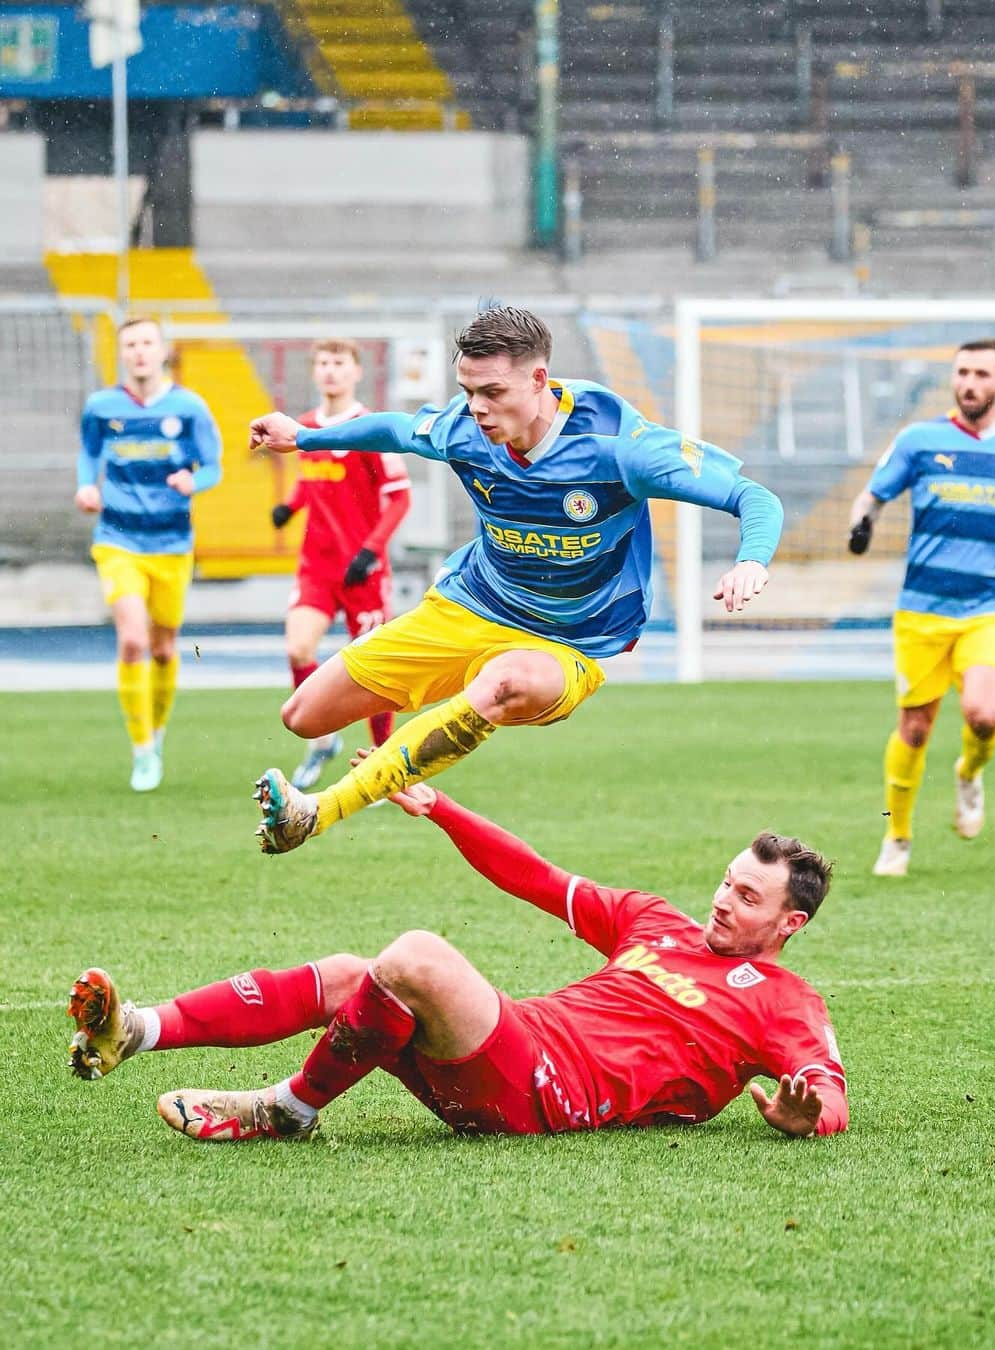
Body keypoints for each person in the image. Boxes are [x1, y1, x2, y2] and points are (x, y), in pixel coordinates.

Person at [246, 306, 784, 855]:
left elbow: (752, 496)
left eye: (493, 392)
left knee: (505, 683)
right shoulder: (465, 429)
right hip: (472, 606)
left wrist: (751, 560)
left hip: (569, 641)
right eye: (468, 390)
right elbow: (398, 430)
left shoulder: (623, 446)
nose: (477, 407)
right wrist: (306, 437)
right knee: (303, 716)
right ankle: (469, 688)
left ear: (538, 380)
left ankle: (316, 811)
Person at [67, 772, 848, 1142]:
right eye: (727, 882)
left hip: (548, 1095)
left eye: (749, 899)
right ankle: (138, 1029)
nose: (722, 900)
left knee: (416, 958)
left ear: (792, 923)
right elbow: (535, 877)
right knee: (351, 975)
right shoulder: (656, 922)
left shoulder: (785, 1000)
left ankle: (287, 1109)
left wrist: (803, 1114)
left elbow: (827, 1091)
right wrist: (444, 809)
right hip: (514, 1042)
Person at [848, 338, 995, 877]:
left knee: (983, 716)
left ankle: (969, 771)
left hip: (988, 609)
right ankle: (896, 835)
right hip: (921, 610)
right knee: (915, 730)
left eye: (981, 374)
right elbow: (873, 495)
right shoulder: (919, 440)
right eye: (962, 372)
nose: (969, 383)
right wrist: (862, 524)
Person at [75, 315, 223, 791]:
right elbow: (89, 452)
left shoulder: (190, 407)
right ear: (122, 353)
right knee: (133, 640)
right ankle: (141, 750)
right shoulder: (102, 406)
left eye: (146, 343)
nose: (139, 351)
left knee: (163, 648)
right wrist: (85, 485)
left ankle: (156, 733)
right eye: (131, 344)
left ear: (162, 350)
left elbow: (214, 466)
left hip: (172, 544)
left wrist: (192, 480)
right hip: (117, 539)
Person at [270, 338, 412, 789]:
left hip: (362, 571)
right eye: (324, 363)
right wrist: (290, 507)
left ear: (356, 372)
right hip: (317, 567)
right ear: (315, 372)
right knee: (298, 648)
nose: (331, 371)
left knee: (375, 671)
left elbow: (399, 498)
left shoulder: (370, 428)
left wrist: (371, 551)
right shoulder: (305, 427)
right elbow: (314, 482)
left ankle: (383, 766)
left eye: (340, 363)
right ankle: (323, 737)